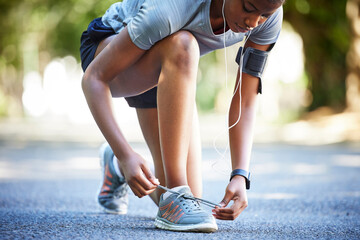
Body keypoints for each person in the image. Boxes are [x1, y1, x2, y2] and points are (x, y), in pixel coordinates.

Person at [80, 0, 284, 233]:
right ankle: (167, 185)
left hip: (167, 69)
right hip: (112, 51)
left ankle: (115, 168)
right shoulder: (171, 8)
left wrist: (240, 175)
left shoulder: (268, 15)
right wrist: (125, 153)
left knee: (192, 199)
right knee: (185, 44)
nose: (253, 22)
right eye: (248, 8)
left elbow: (245, 99)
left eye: (264, 15)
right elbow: (93, 78)